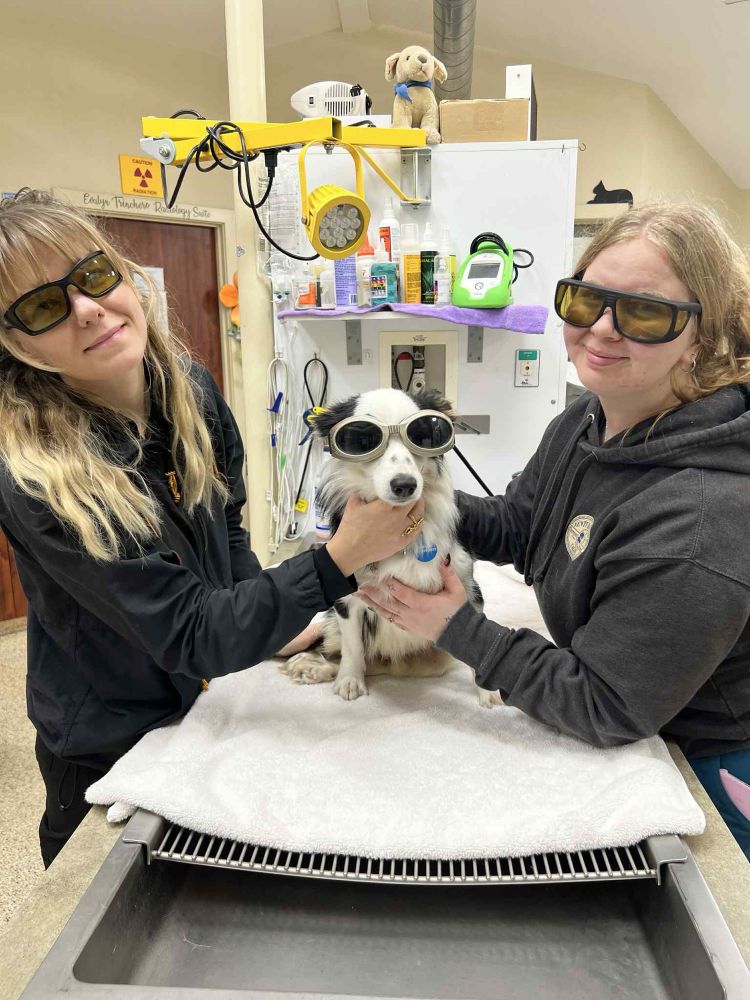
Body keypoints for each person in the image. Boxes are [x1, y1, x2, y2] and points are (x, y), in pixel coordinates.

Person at [0, 189, 419, 867]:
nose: (86, 307)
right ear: (17, 343)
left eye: (92, 275)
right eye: (44, 306)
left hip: (212, 698)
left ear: (120, 272)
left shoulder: (190, 390)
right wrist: (334, 561)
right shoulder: (40, 476)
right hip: (113, 743)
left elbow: (225, 525)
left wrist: (276, 619)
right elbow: (189, 632)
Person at [360, 202, 750, 859]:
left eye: (644, 311)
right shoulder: (587, 420)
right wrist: (425, 505)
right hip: (637, 713)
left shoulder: (700, 518)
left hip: (709, 761)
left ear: (703, 336)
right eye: (585, 299)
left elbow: (606, 705)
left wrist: (457, 626)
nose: (600, 329)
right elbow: (521, 525)